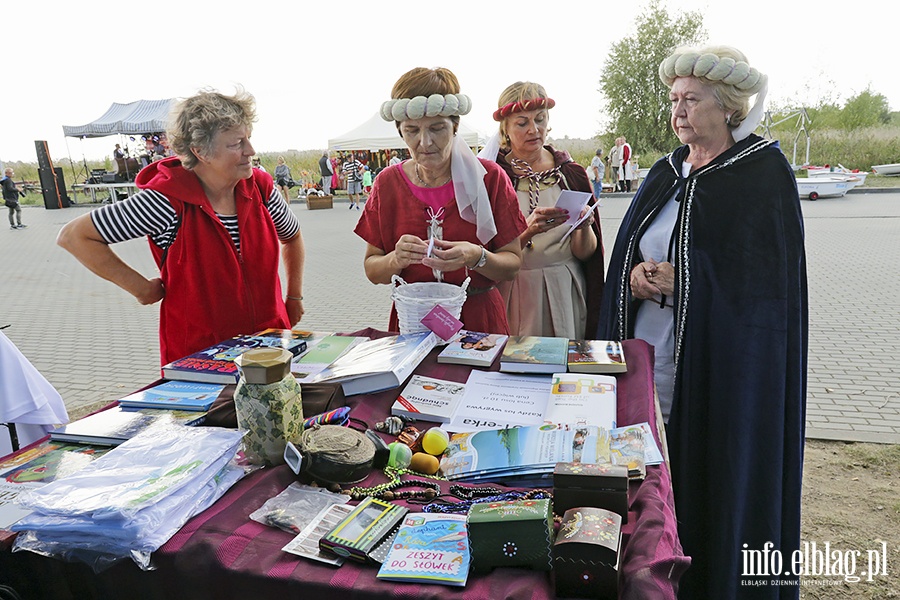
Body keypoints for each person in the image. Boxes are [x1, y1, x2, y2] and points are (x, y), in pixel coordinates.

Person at [596, 45, 807, 599]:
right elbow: (625, 255)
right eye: (674, 100)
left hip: (723, 366)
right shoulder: (666, 171)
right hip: (649, 352)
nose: (679, 111)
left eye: (692, 100)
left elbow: (766, 291)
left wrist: (687, 284)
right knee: (648, 470)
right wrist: (634, 278)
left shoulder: (760, 174)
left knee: (709, 472)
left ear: (730, 107)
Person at [57, 88, 306, 366]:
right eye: (236, 143)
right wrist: (141, 289)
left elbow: (292, 237)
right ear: (201, 151)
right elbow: (74, 236)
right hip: (202, 361)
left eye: (248, 138)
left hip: (268, 346)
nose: (250, 150)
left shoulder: (261, 189)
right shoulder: (167, 201)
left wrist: (293, 296)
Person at [354, 66, 526, 334]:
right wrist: (396, 259)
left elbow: (512, 265)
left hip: (478, 323)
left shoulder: (489, 178)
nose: (425, 142)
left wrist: (476, 255)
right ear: (400, 131)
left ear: (455, 126)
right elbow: (373, 270)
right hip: (413, 322)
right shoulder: (387, 184)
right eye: (412, 130)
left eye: (437, 128)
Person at [480, 81, 604, 339]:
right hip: (515, 290)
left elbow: (585, 254)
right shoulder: (492, 178)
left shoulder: (571, 174)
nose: (534, 129)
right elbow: (484, 254)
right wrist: (526, 231)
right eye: (522, 122)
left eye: (540, 119)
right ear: (505, 128)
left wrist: (584, 227)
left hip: (564, 289)